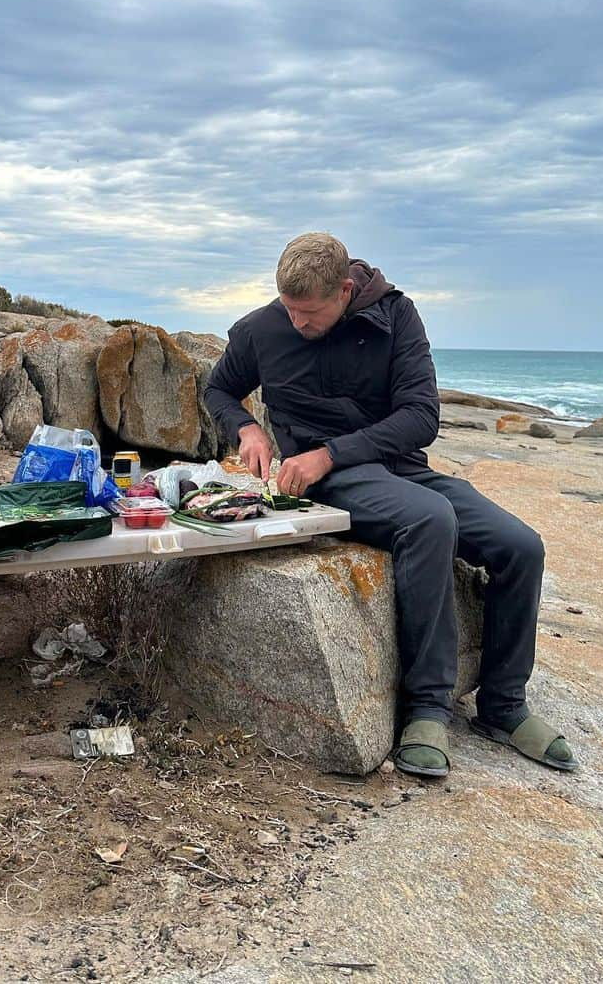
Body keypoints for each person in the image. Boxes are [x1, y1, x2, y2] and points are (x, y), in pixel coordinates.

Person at [204, 231, 578, 778]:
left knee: (521, 545)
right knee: (430, 519)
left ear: (346, 290)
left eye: (309, 313)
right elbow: (219, 389)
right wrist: (247, 430)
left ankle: (503, 706)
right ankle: (426, 709)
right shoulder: (263, 328)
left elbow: (422, 416)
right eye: (289, 309)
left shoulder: (396, 317)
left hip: (390, 466)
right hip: (325, 482)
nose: (297, 323)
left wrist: (330, 453)